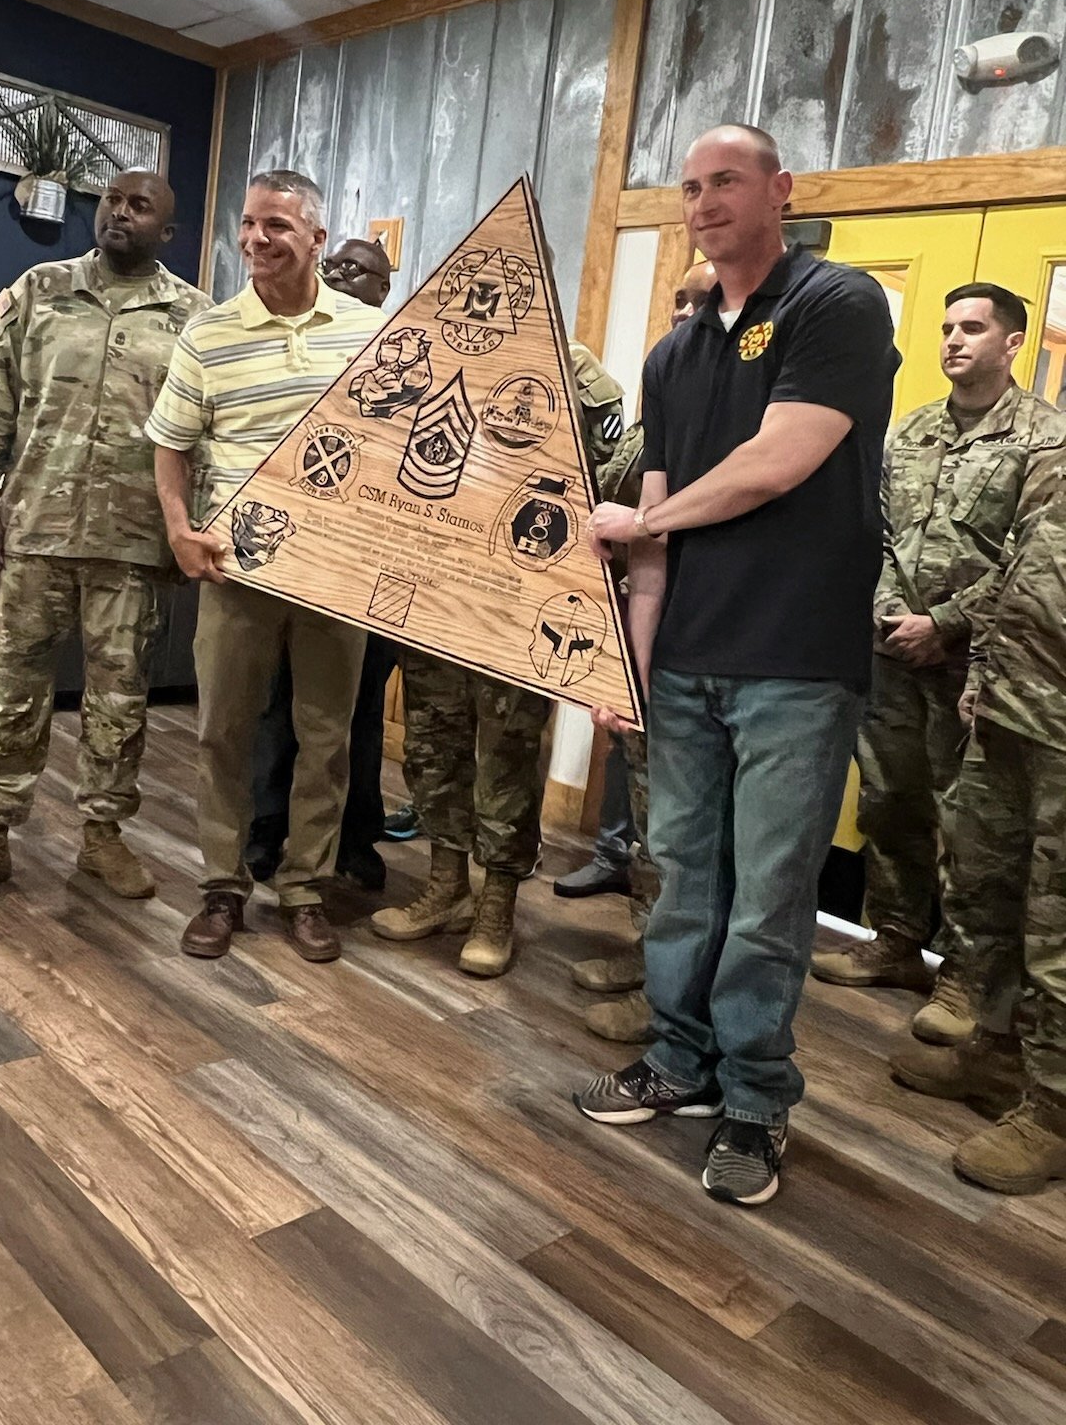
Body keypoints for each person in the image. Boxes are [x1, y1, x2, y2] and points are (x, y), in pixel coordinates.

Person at [573, 124, 897, 1207]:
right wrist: (629, 664)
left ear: (779, 190)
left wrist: (639, 521)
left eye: (726, 181)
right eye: (690, 187)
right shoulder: (673, 355)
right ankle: (680, 1061)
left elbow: (778, 460)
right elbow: (656, 533)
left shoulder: (837, 303)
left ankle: (755, 1098)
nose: (704, 202)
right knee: (680, 881)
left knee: (767, 899)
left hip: (797, 662)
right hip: (687, 663)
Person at [0, 171, 210, 911]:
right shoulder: (39, 291)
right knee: (7, 695)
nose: (120, 212)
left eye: (140, 205)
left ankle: (102, 835)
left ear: (167, 231)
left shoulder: (193, 318)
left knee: (120, 703)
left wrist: (188, 530)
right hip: (31, 536)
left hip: (133, 545)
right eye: (112, 200)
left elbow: (203, 439)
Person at [147, 170, 382, 962]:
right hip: (235, 572)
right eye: (248, 224)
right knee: (223, 731)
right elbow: (171, 443)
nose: (256, 239)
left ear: (316, 237)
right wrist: (179, 530)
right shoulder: (209, 334)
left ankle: (306, 889)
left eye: (276, 225)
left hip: (335, 574)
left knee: (326, 739)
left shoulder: (367, 332)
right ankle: (222, 886)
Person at [812, 285, 1055, 1048]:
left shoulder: (1042, 438)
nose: (953, 339)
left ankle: (964, 974)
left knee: (973, 828)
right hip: (894, 652)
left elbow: (1026, 558)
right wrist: (891, 614)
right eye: (948, 327)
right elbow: (880, 533)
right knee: (889, 801)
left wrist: (945, 624)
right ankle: (895, 938)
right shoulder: (913, 428)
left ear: (1012, 343)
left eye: (972, 328)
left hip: (980, 668)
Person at [370, 341, 624, 978]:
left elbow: (602, 481)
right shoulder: (437, 350)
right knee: (432, 744)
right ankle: (447, 886)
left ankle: (497, 906)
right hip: (438, 589)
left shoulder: (579, 374)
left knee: (507, 756)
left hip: (518, 599)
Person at [889, 428, 1066, 1193]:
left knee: (1057, 926)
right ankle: (995, 1054)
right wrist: (982, 671)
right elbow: (1013, 571)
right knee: (984, 890)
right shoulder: (1057, 463)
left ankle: (1055, 1111)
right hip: (1008, 713)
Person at [568, 261, 720, 1045]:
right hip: (645, 644)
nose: (687, 313)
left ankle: (681, 998)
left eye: (706, 300)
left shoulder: (737, 422)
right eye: (679, 300)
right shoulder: (652, 425)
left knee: (692, 837)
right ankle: (652, 959)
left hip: (710, 650)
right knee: (653, 822)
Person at [245, 234, 395, 892]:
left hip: (371, 568)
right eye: (333, 266)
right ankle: (265, 829)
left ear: (383, 290)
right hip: (294, 558)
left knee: (359, 714)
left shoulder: (403, 363)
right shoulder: (299, 351)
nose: (337, 274)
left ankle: (356, 839)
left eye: (355, 269)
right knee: (280, 706)